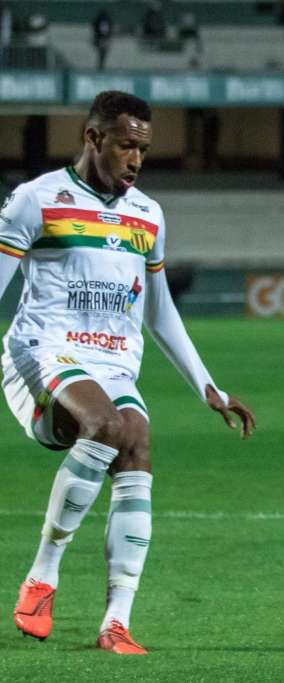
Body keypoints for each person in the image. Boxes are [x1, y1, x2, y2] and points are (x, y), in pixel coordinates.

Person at [3, 91, 256, 655]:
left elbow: (159, 311)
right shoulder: (36, 200)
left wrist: (207, 386)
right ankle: (43, 575)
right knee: (108, 424)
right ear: (93, 138)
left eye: (143, 149)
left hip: (113, 361)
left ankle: (115, 622)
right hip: (43, 353)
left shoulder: (147, 213)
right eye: (126, 146)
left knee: (137, 440)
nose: (137, 160)